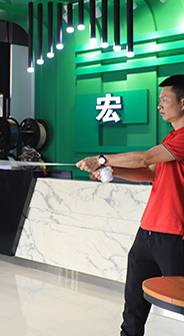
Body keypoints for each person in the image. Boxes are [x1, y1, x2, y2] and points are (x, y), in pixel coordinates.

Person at [76, 74, 184, 336]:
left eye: (164, 99)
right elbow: (149, 172)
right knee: (133, 305)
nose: (159, 105)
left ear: (183, 102)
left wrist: (102, 159)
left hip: (174, 234)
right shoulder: (171, 139)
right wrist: (111, 171)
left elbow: (144, 158)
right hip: (148, 232)